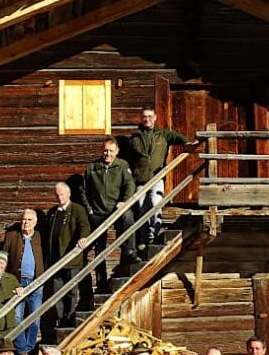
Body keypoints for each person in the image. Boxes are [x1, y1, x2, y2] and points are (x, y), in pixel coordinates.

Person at [127, 107, 193, 252]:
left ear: (155, 117)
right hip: (140, 181)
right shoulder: (135, 138)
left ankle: (153, 235)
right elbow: (129, 160)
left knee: (156, 205)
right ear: (141, 118)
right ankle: (144, 239)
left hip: (157, 179)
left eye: (150, 116)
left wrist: (187, 143)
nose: (147, 119)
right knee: (141, 209)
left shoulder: (163, 134)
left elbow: (179, 138)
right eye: (144, 117)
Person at [82, 138, 138, 292]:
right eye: (106, 150)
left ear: (117, 152)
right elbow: (83, 190)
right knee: (100, 250)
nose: (108, 154)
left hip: (116, 210)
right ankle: (101, 284)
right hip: (98, 213)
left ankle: (130, 252)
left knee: (128, 217)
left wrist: (124, 201)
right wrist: (89, 209)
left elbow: (130, 185)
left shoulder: (122, 166)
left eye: (111, 151)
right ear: (102, 150)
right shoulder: (92, 168)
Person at [45, 182, 90, 327]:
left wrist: (83, 238)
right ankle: (59, 318)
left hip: (71, 259)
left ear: (68, 194)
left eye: (61, 194)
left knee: (71, 291)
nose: (59, 197)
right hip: (56, 261)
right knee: (57, 292)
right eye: (57, 195)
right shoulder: (53, 212)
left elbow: (84, 225)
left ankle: (69, 318)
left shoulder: (77, 210)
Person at [3, 209, 44, 355]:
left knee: (35, 317)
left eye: (29, 220)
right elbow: (4, 260)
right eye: (24, 219)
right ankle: (22, 349)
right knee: (16, 317)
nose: (25, 222)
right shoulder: (12, 236)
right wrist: (11, 284)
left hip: (36, 283)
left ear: (35, 223)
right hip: (18, 283)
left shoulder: (39, 236)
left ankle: (29, 347)